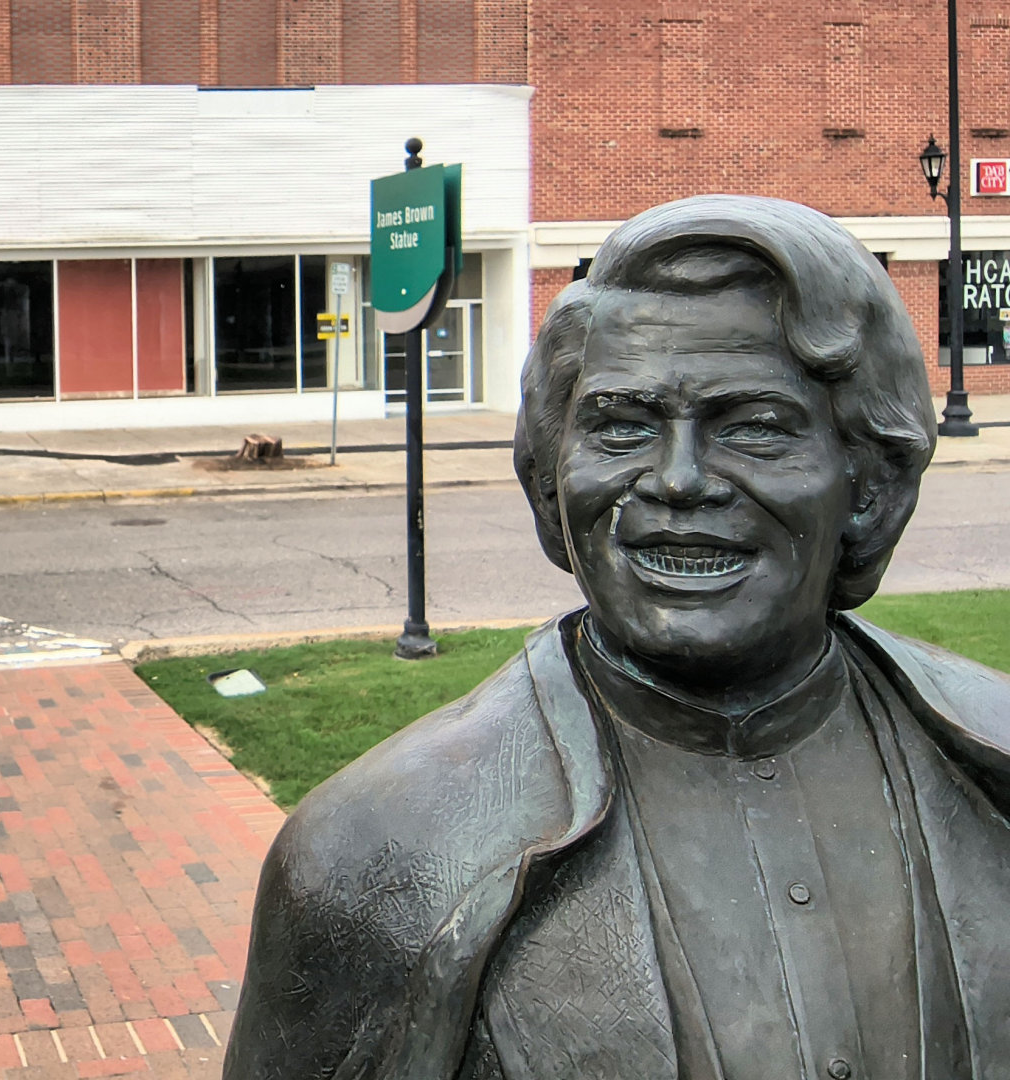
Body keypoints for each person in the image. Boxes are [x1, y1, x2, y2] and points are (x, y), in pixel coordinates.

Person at [223, 195, 1010, 1080]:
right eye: (622, 426)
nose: (677, 480)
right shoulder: (369, 854)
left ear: (869, 485)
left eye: (754, 427)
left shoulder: (992, 760)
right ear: (551, 475)